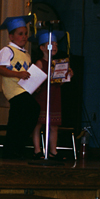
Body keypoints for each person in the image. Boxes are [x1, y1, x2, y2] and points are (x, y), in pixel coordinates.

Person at [0, 14, 40, 159]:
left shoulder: (26, 54)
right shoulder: (7, 51)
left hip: (23, 89)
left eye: (26, 33)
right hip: (14, 90)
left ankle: (14, 150)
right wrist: (18, 75)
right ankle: (13, 149)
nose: (24, 37)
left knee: (17, 120)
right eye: (20, 34)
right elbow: (0, 69)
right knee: (33, 109)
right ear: (11, 36)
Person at [30, 29, 71, 159]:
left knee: (54, 125)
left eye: (56, 44)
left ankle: (53, 151)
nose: (54, 47)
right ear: (42, 47)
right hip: (42, 96)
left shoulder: (57, 64)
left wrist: (66, 75)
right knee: (38, 124)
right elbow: (35, 82)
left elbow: (59, 82)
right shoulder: (40, 63)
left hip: (54, 96)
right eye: (51, 44)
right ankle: (37, 150)